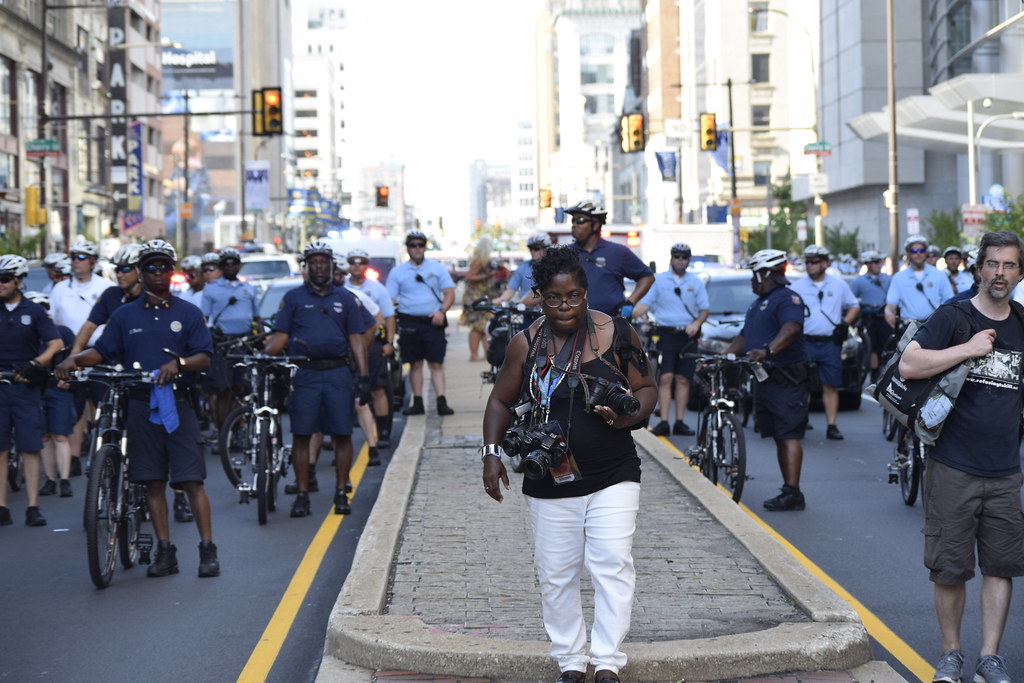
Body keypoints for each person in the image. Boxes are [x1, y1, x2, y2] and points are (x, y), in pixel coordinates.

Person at [481, 246, 656, 683]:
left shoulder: (617, 334)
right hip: (550, 477)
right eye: (555, 298)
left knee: (612, 563)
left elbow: (648, 387)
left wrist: (630, 415)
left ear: (586, 292)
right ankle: (571, 661)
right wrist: (491, 454)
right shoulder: (526, 344)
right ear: (539, 295)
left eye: (575, 296)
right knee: (557, 573)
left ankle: (608, 661)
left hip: (615, 472)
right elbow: (501, 400)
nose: (566, 306)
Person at [898, 230, 1024, 683]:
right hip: (953, 464)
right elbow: (909, 365)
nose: (1000, 273)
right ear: (978, 269)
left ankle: (990, 656)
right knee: (950, 567)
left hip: (1007, 470)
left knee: (1000, 566)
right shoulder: (954, 315)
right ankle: (951, 653)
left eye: (1009, 266)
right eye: (992, 264)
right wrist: (968, 349)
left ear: (1019, 273)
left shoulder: (1023, 323)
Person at [56, 239, 219, 578]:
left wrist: (180, 363)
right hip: (140, 405)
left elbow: (204, 356)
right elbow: (102, 351)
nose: (157, 273)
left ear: (172, 273)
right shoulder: (123, 314)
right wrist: (74, 358)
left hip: (178, 404)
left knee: (191, 482)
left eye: (163, 267)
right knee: (152, 483)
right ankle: (165, 551)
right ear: (141, 275)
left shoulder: (187, 312)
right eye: (150, 268)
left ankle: (207, 550)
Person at [265, 240, 372, 517]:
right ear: (306, 267)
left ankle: (340, 492)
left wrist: (363, 376)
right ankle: (302, 494)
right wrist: (264, 355)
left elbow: (357, 339)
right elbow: (280, 336)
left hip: (338, 373)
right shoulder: (293, 299)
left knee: (341, 434)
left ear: (332, 266)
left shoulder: (346, 299)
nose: (320, 267)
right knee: (301, 435)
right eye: (314, 263)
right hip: (305, 374)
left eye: (324, 262)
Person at [722, 249, 809, 511]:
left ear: (764, 273)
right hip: (765, 379)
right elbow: (744, 337)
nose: (751, 280)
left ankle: (793, 492)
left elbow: (791, 328)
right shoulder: (759, 303)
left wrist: (768, 350)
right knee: (778, 435)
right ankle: (788, 488)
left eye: (753, 274)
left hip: (786, 377)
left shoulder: (787, 299)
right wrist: (721, 357)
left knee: (789, 433)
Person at [0, 256, 64, 527]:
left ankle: (32, 506)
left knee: (30, 448)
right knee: (0, 450)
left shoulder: (34, 311)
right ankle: (1, 507)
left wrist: (35, 363)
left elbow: (56, 343)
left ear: (19, 281)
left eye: (4, 279)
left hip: (25, 387)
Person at [49, 238, 115, 477]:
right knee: (75, 408)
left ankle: (107, 451)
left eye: (81, 258)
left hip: (99, 352)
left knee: (105, 403)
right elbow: (53, 321)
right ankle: (75, 457)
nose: (75, 262)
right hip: (70, 354)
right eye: (73, 257)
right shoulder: (60, 288)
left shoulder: (105, 288)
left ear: (93, 262)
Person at [632, 242, 709, 436]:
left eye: (684, 257)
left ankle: (680, 421)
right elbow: (645, 305)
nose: (681, 261)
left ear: (688, 260)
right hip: (666, 334)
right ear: (671, 258)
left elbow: (704, 309)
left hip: (688, 335)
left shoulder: (696, 281)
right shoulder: (659, 280)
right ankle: (665, 421)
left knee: (684, 379)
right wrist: (627, 313)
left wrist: (697, 324)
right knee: (665, 378)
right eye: (677, 257)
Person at [788, 245, 859, 440]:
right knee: (803, 384)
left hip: (830, 343)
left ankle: (831, 425)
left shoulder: (838, 285)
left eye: (814, 261)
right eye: (807, 262)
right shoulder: (797, 287)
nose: (810, 265)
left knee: (830, 385)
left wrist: (845, 324)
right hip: (805, 342)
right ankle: (802, 420)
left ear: (825, 263)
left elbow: (853, 305)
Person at [386, 230, 457, 417]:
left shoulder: (436, 268)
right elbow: (389, 299)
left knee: (436, 364)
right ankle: (417, 402)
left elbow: (449, 292)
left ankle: (441, 401)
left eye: (420, 245)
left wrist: (441, 311)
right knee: (415, 364)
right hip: (409, 323)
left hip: (433, 322)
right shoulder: (398, 272)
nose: (417, 248)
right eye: (413, 245)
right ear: (408, 248)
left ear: (425, 247)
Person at [25, 291, 77, 499]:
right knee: (44, 436)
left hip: (57, 388)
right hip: (36, 388)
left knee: (60, 435)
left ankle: (64, 479)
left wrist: (69, 379)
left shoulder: (62, 332)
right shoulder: (26, 335)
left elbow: (75, 357)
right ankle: (50, 479)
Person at [201, 247, 260, 424]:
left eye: (234, 263)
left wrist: (261, 339)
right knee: (223, 390)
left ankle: (237, 428)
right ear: (221, 267)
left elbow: (256, 318)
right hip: (223, 344)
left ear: (239, 266)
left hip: (245, 342)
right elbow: (203, 319)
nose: (230, 267)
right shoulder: (211, 289)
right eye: (226, 264)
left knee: (240, 388)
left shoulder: (248, 288)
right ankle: (223, 431)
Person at [346, 248, 397, 449]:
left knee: (377, 389)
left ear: (366, 265)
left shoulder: (376, 288)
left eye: (361, 262)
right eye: (353, 262)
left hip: (372, 344)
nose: (357, 266)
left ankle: (383, 432)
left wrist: (390, 343)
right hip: (348, 345)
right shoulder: (341, 286)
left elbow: (388, 316)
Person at [566, 200, 654, 317]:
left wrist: (629, 303)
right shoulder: (566, 254)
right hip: (575, 321)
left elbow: (647, 277)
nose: (574, 224)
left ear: (596, 225)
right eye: (573, 220)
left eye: (580, 220)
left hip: (611, 322)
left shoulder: (618, 252)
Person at [885, 235, 954, 328]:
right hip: (909, 327)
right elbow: (891, 304)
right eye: (914, 251)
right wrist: (889, 313)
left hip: (935, 325)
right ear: (908, 254)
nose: (918, 253)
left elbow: (949, 301)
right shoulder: (899, 277)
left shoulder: (940, 275)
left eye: (921, 251)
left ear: (926, 253)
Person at [849, 250, 892, 380]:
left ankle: (886, 370)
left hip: (884, 316)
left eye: (879, 262)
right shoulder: (859, 281)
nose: (878, 265)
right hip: (869, 318)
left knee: (887, 345)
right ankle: (874, 374)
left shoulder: (887, 279)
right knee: (872, 347)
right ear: (868, 264)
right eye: (874, 262)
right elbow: (851, 299)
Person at [459, 236, 498, 361]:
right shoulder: (479, 260)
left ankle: (484, 354)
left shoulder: (481, 260)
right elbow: (470, 276)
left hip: (480, 295)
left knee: (482, 327)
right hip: (476, 296)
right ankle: (474, 354)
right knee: (477, 327)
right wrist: (487, 275)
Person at [494, 232, 548, 306]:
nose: (532, 252)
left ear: (546, 249)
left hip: (548, 311)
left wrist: (520, 303)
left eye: (536, 248)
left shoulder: (553, 267)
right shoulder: (523, 267)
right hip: (526, 311)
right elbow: (511, 289)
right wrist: (499, 301)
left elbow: (543, 291)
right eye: (530, 249)